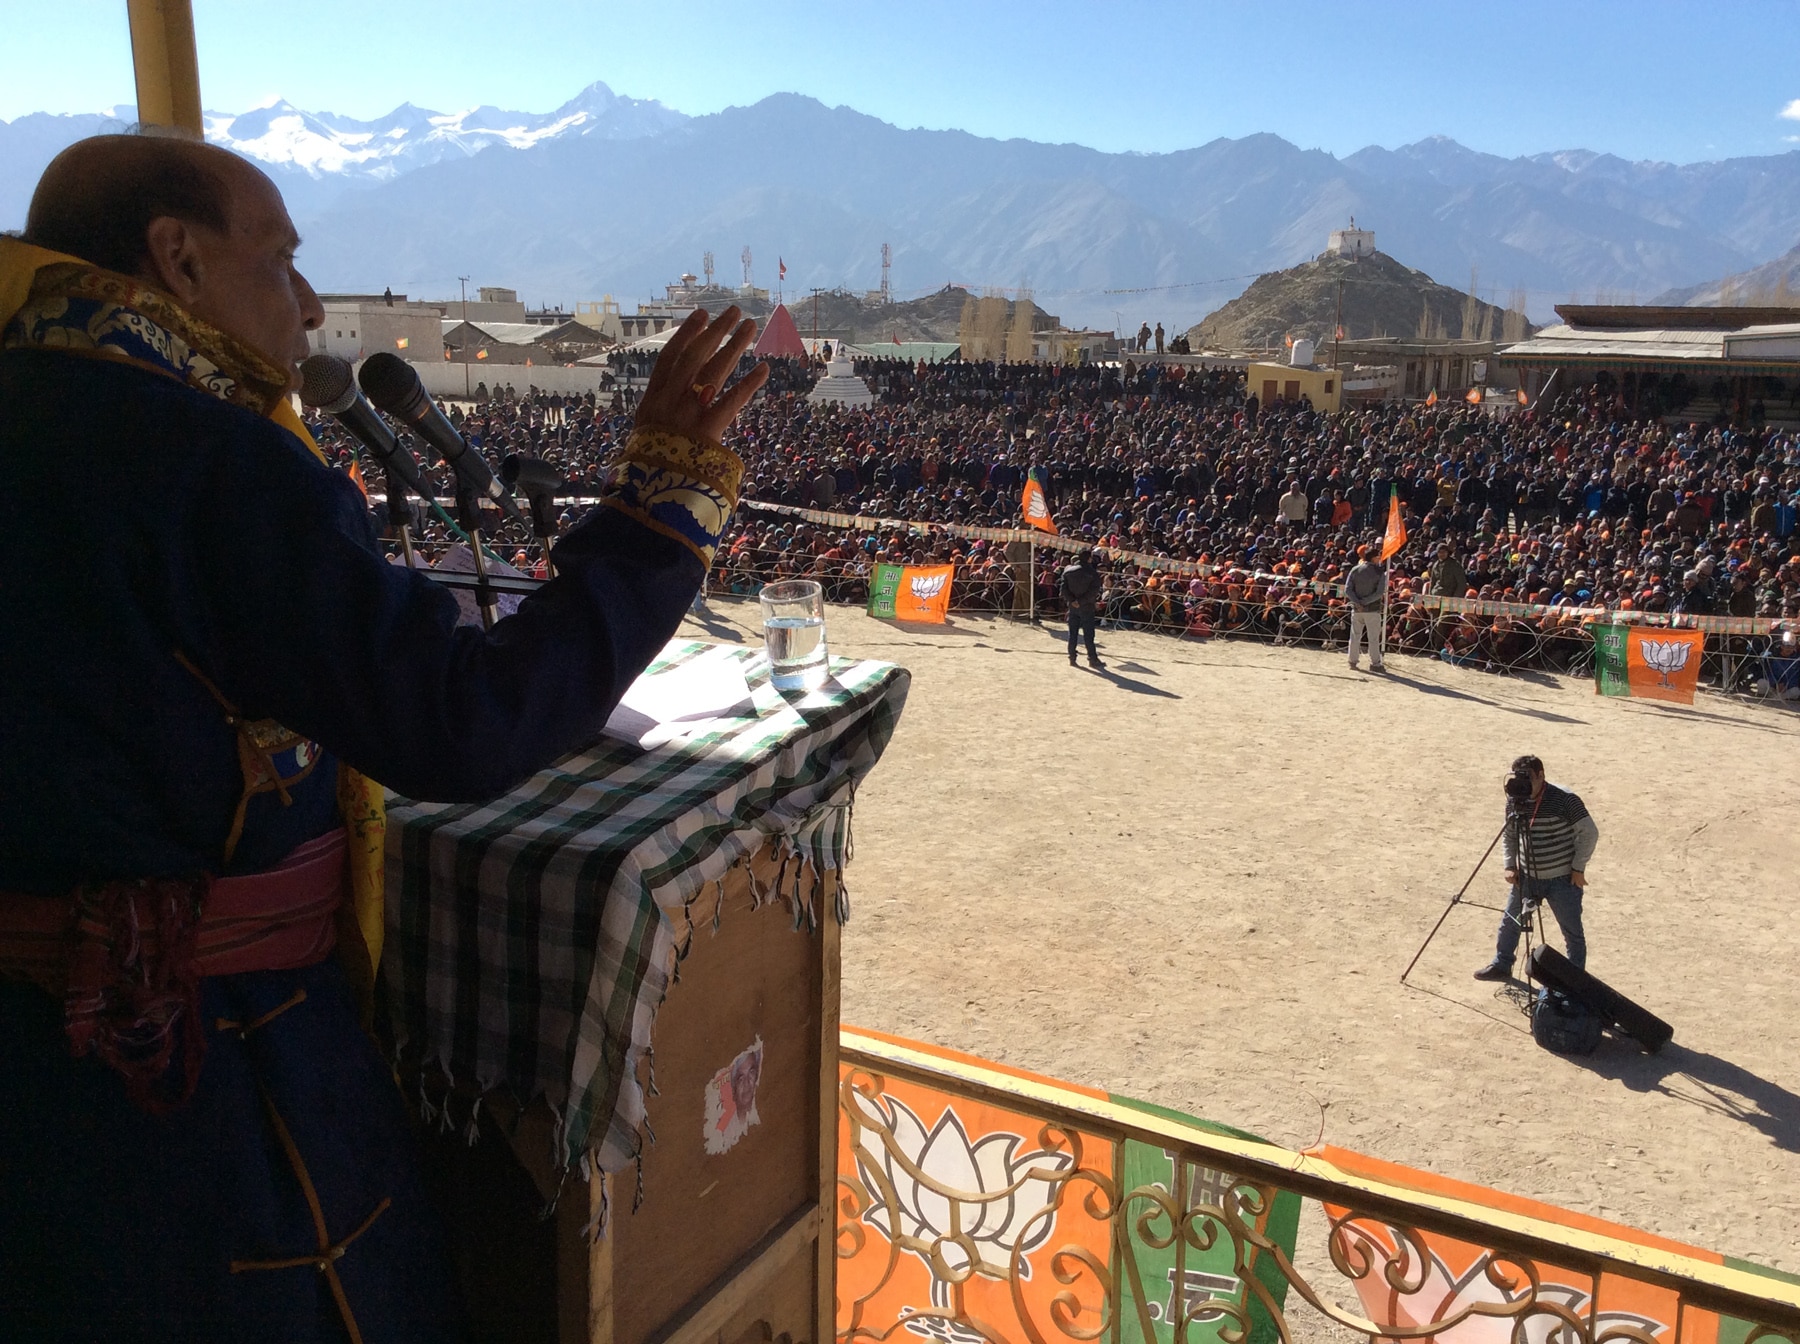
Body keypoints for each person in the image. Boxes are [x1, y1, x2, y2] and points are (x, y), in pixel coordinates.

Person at [0, 134, 767, 1340]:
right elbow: (464, 724)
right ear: (178, 261)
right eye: (283, 260)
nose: (307, 306)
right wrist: (660, 504)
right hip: (216, 1089)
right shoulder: (214, 461)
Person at [1475, 755, 1599, 980]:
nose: (1524, 784)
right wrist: (1509, 865)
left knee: (1572, 932)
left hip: (1562, 879)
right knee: (1510, 922)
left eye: (1528, 778)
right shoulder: (1515, 798)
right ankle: (1502, 964)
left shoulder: (1565, 799)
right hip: (1525, 877)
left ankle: (1575, 981)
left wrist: (1578, 868)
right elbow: (1510, 835)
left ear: (1542, 775)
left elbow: (1589, 832)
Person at [1344, 544, 1386, 671]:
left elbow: (1348, 589)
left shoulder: (1355, 570)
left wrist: (1357, 603)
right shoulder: (1379, 573)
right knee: (1373, 638)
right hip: (1372, 609)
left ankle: (1352, 661)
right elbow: (1379, 593)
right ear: (1374, 558)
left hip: (1357, 609)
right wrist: (1365, 602)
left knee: (1355, 635)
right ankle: (1375, 663)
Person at [1061, 547, 1105, 668]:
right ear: (1089, 559)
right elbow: (1093, 592)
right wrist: (1080, 601)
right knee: (1088, 634)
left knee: (1073, 633)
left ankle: (1072, 657)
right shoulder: (1093, 574)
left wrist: (1072, 600)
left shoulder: (1068, 571)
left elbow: (1063, 589)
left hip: (1073, 606)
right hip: (1086, 606)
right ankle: (1092, 658)